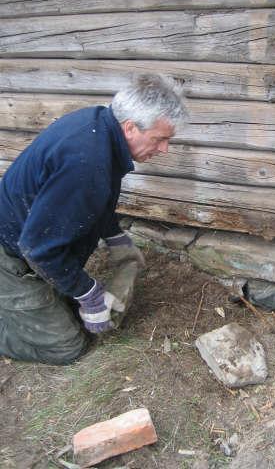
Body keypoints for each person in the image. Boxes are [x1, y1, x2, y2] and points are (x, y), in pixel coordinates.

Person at [0, 75, 187, 365]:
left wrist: (115, 237)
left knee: (66, 305)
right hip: (10, 254)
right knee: (68, 345)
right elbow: (36, 247)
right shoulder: (86, 163)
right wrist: (90, 294)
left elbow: (95, 201)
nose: (164, 149)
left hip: (31, 238)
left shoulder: (101, 127)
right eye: (160, 139)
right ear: (130, 128)